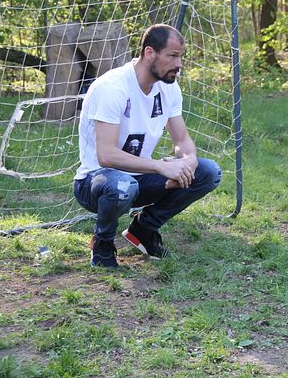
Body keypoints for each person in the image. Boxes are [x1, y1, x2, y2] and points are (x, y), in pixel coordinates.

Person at [73, 24, 222, 268]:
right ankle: (102, 242)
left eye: (181, 56)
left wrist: (188, 161)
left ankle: (143, 229)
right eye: (173, 56)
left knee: (208, 172)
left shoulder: (168, 89)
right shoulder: (112, 88)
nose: (179, 64)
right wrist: (161, 168)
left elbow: (182, 141)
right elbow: (106, 155)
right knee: (123, 185)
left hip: (140, 179)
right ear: (150, 53)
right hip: (97, 182)